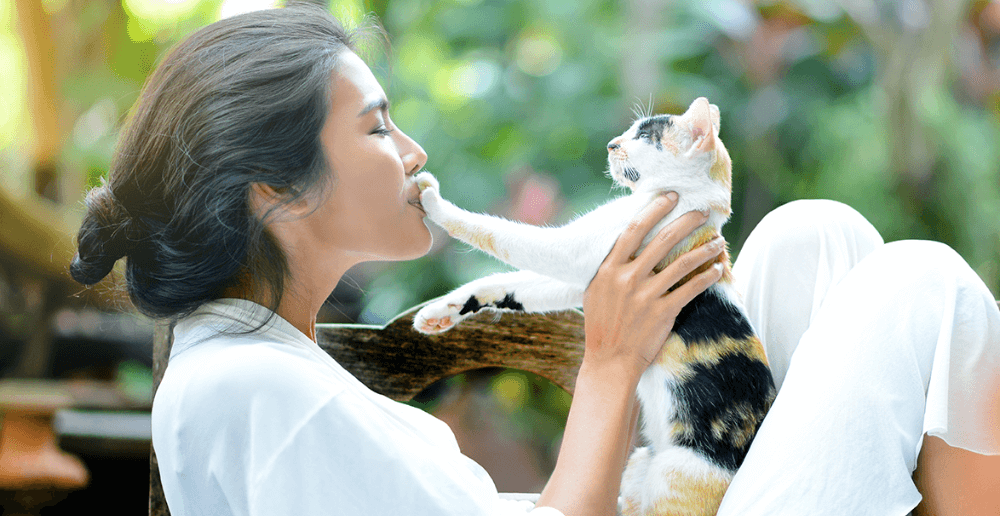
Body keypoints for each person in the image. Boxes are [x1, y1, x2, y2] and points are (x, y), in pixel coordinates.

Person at [67, 3, 999, 516]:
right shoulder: (252, 395)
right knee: (923, 283)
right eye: (378, 126)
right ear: (273, 188)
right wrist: (609, 360)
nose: (413, 151)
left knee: (813, 239)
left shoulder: (257, 367)